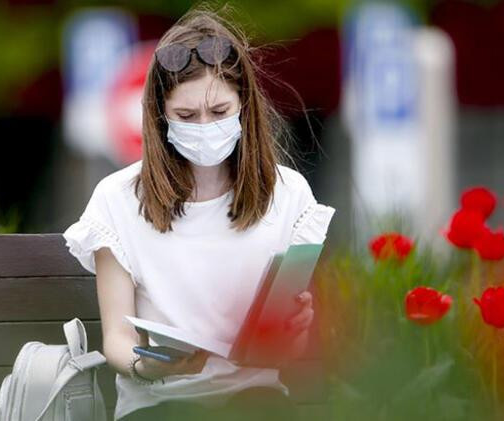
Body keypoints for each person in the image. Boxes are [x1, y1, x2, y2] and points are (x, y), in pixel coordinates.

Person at [61, 6, 336, 421]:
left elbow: (289, 348)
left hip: (255, 402)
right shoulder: (116, 199)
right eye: (186, 116)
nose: (205, 127)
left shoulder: (289, 193)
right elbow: (117, 337)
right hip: (158, 403)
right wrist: (147, 366)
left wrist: (294, 332)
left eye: (220, 112)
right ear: (159, 116)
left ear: (244, 105)